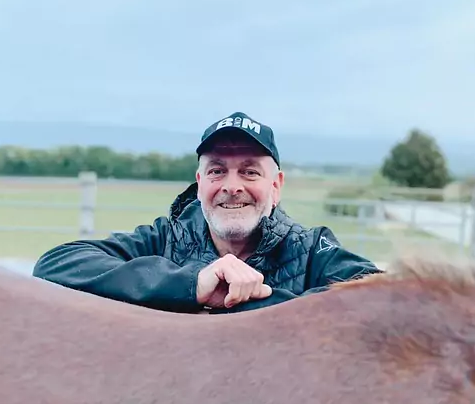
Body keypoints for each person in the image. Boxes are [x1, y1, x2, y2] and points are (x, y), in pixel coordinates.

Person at [32, 111, 382, 314]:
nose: (232, 186)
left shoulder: (309, 249)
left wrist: (252, 302)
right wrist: (190, 284)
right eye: (217, 171)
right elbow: (58, 263)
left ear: (276, 186)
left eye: (249, 171)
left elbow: (379, 292)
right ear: (200, 183)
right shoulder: (165, 237)